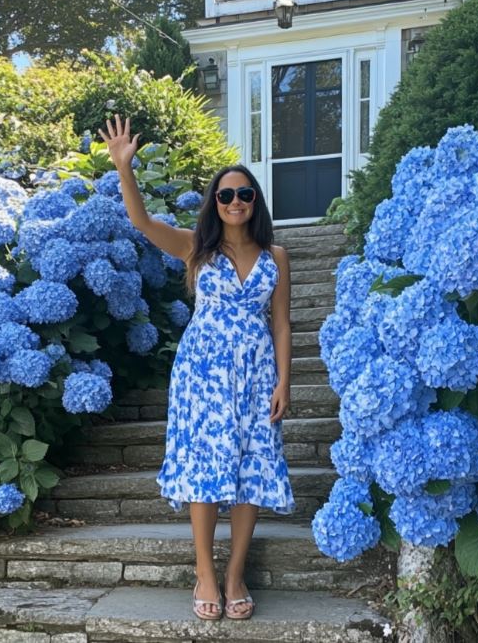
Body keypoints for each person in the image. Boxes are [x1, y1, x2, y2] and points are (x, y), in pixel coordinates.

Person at [99, 115, 295, 622]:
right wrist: (125, 168)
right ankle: (205, 570)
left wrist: (283, 381)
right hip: (202, 372)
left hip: (255, 373)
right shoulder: (197, 248)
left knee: (251, 470)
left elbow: (280, 325)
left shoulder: (277, 255)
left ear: (256, 202)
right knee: (206, 469)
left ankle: (235, 574)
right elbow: (142, 224)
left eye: (244, 195)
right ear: (215, 203)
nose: (235, 203)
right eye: (226, 195)